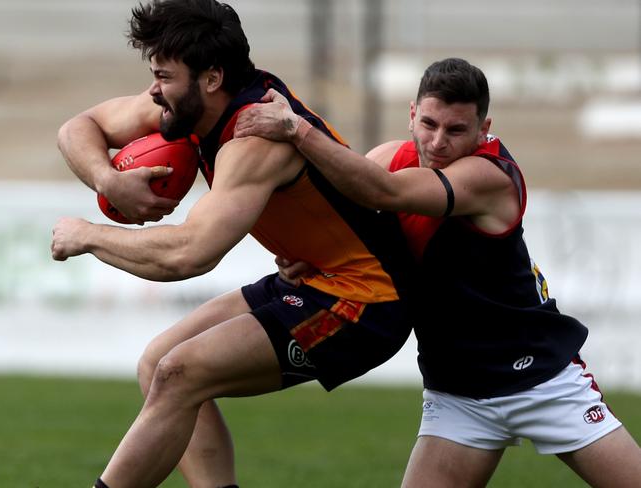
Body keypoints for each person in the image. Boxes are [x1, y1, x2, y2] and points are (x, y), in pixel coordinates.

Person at [50, 1, 416, 487]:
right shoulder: (186, 104)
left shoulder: (255, 138)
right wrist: (107, 180)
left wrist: (90, 236)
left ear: (212, 78)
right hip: (316, 278)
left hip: (366, 300)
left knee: (180, 372)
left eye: (165, 76)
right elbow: (76, 128)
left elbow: (190, 254)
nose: (154, 91)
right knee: (158, 363)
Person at [234, 57, 641, 487]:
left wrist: (297, 128)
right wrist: (312, 258)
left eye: (456, 130)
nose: (439, 141)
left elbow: (381, 191)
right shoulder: (390, 157)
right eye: (429, 124)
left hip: (541, 379)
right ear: (411, 114)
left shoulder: (490, 177)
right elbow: (345, 224)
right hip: (458, 393)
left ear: (484, 128)